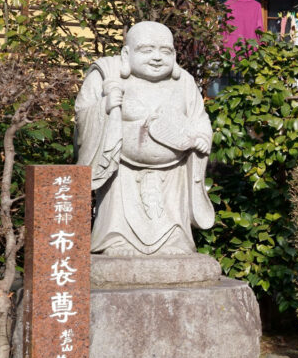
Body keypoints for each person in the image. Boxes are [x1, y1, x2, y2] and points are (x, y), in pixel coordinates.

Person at [74, 21, 214, 255]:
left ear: (175, 55)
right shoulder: (107, 74)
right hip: (121, 171)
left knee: (172, 221)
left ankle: (174, 241)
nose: (157, 57)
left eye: (165, 51)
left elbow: (200, 119)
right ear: (127, 53)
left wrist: (201, 137)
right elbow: (82, 115)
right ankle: (116, 240)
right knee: (118, 219)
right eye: (147, 50)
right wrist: (104, 107)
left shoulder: (185, 82)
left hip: (173, 172)